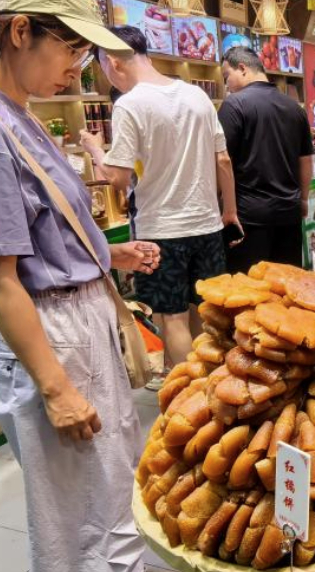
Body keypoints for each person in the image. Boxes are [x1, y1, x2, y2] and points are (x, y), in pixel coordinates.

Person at [0, 0, 182, 572]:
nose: (81, 66)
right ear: (20, 32)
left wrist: (111, 252)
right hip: (48, 332)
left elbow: (44, 230)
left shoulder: (20, 114)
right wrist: (55, 386)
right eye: (71, 49)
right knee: (66, 507)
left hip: (77, 315)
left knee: (106, 471)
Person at [83, 25, 239, 389]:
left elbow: (118, 179)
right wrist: (228, 211)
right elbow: (224, 160)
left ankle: (194, 398)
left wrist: (93, 149)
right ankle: (217, 387)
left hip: (161, 232)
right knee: (205, 311)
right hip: (207, 225)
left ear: (112, 62)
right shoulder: (197, 96)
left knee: (173, 318)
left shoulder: (130, 104)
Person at [220, 45, 314, 270]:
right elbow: (306, 160)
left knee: (249, 291)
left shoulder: (234, 105)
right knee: (287, 287)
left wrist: (225, 207)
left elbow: (222, 159)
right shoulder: (295, 108)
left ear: (242, 68)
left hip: (249, 218)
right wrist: (302, 199)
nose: (226, 85)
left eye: (227, 77)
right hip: (289, 214)